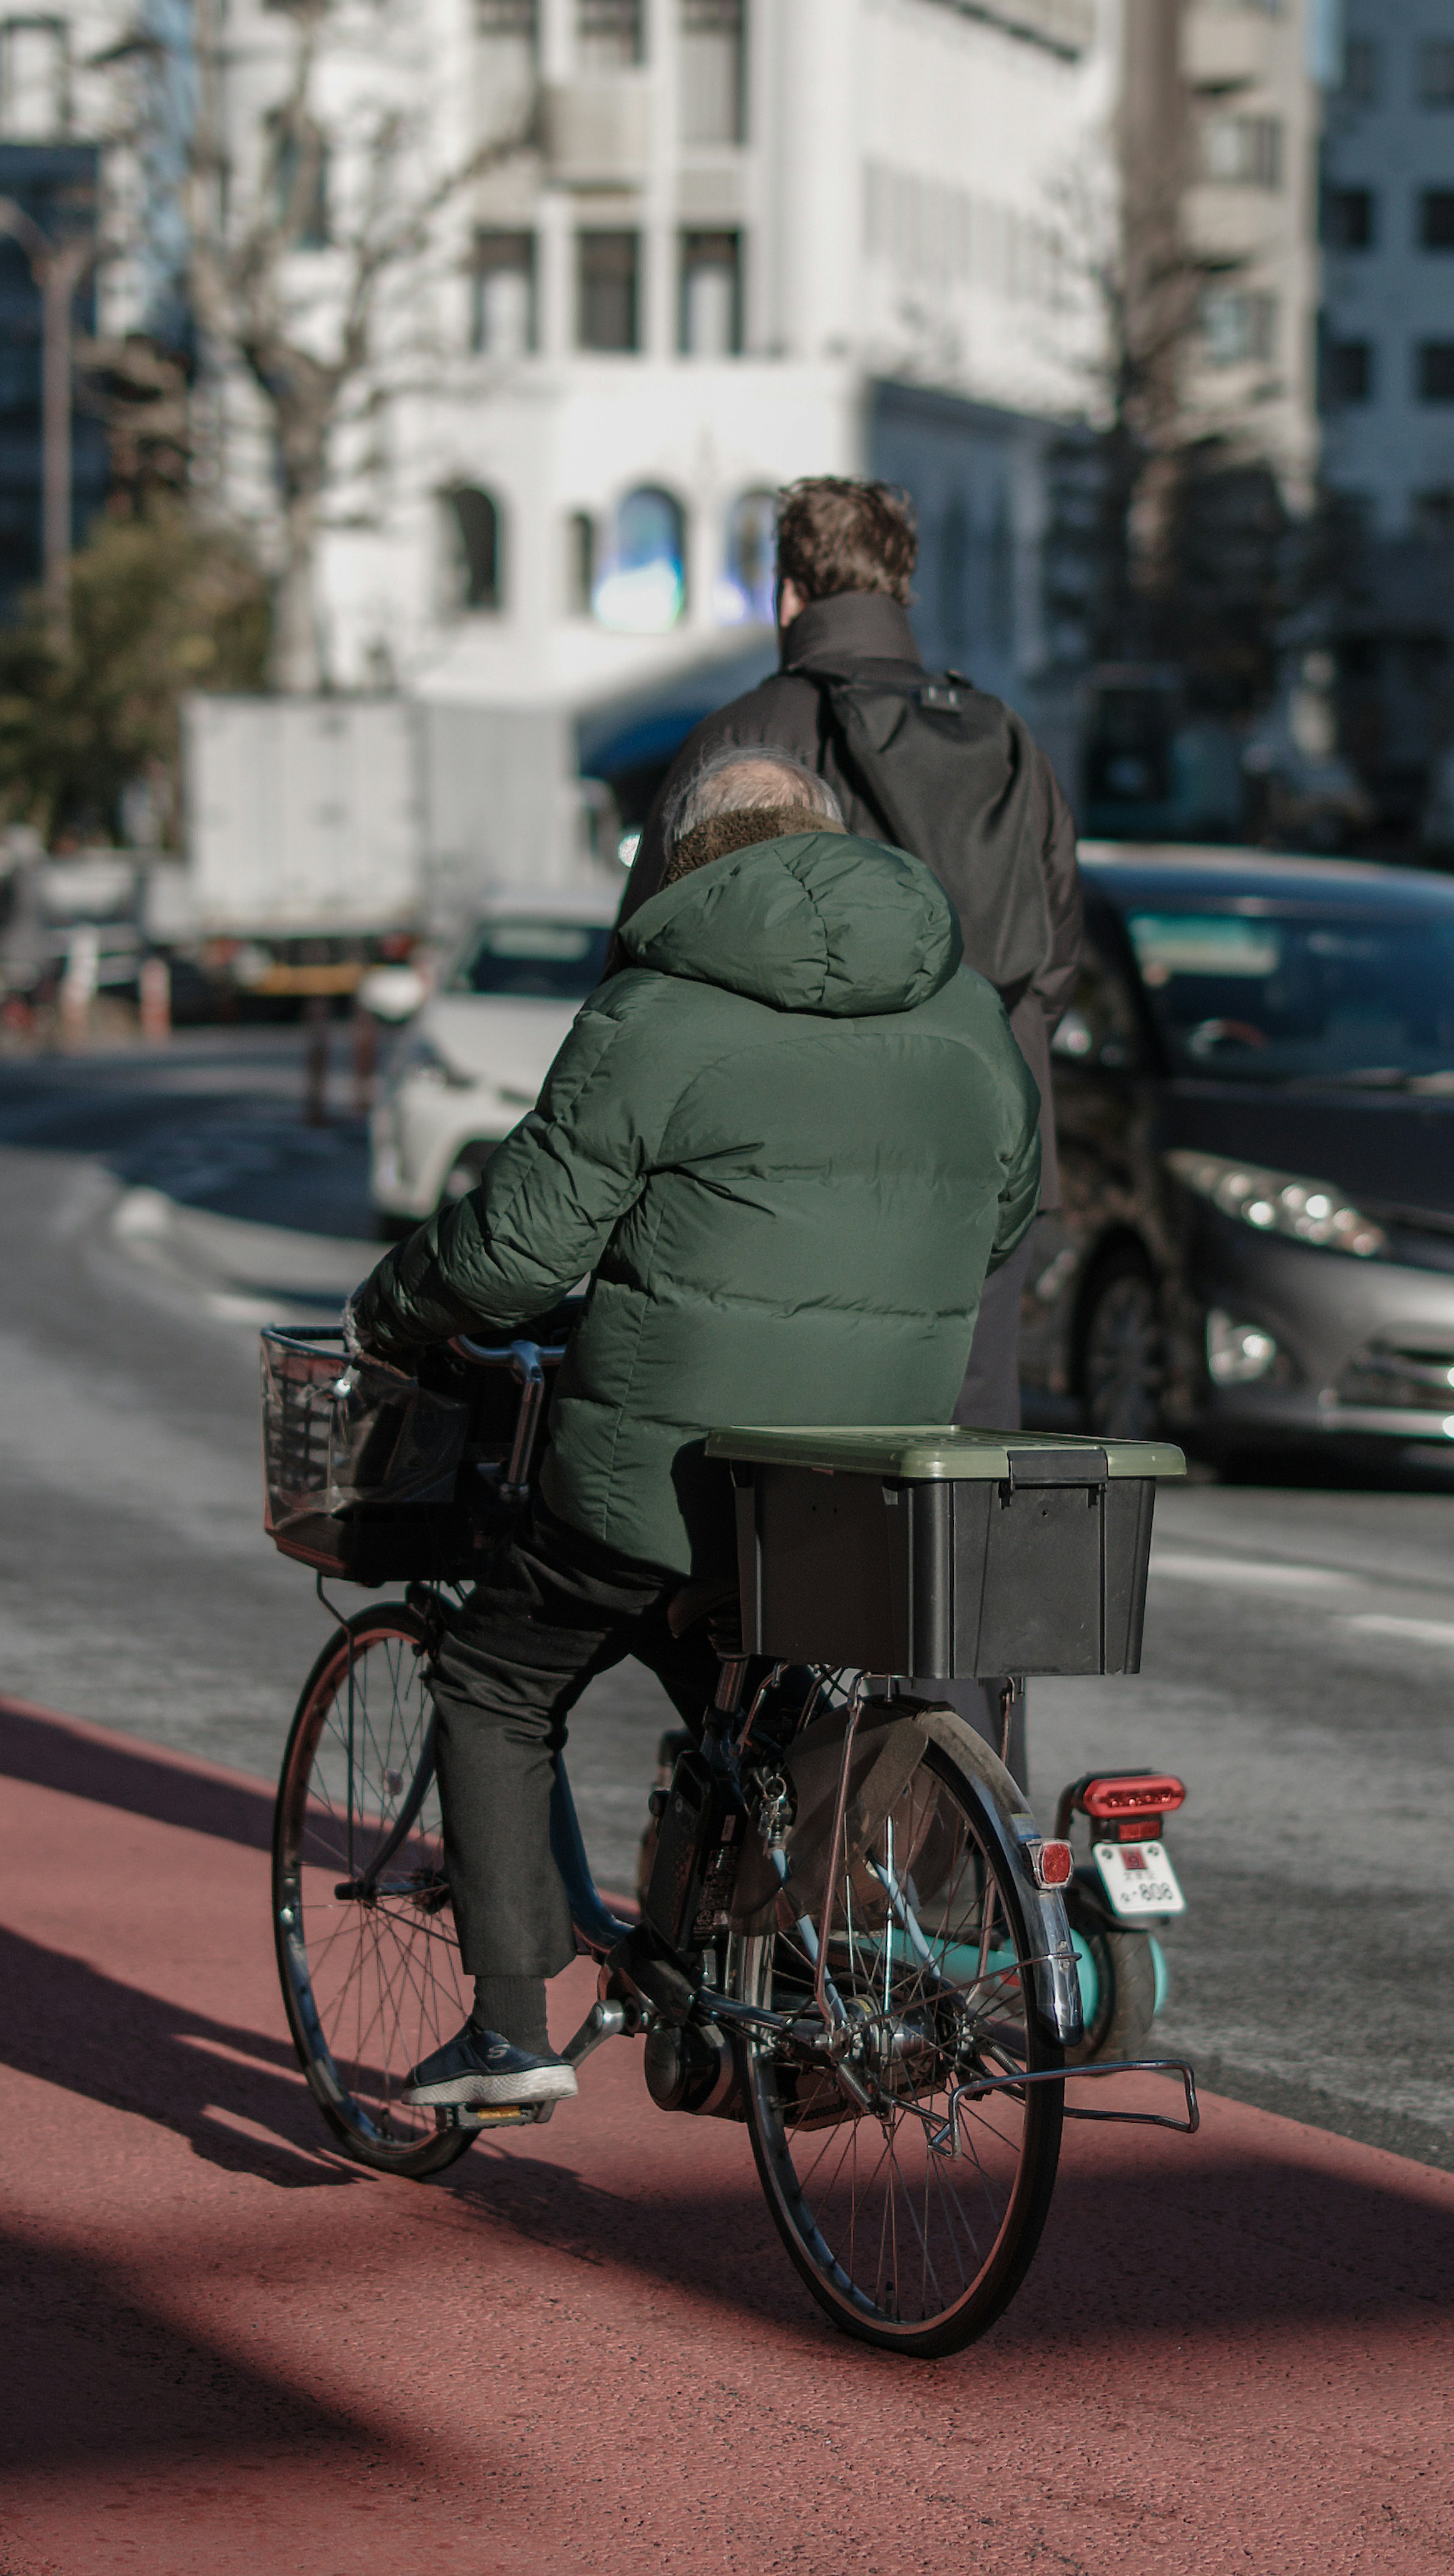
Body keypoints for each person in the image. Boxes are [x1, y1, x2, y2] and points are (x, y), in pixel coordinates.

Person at [350, 755, 1039, 2115]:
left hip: (673, 1476)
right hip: (866, 1473)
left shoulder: (657, 1009)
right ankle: (773, 1983)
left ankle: (508, 2033)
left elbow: (517, 1253)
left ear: (680, 862)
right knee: (762, 1693)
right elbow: (1005, 1213)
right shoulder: (964, 1012)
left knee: (497, 1677)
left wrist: (396, 1307)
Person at [615, 476, 1080, 1442]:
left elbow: (651, 958)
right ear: (902, 585)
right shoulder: (1006, 745)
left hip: (780, 1170)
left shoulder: (744, 740)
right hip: (987, 1155)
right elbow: (1057, 957)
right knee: (962, 1464)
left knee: (777, 1465)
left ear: (789, 592)